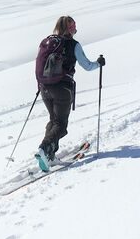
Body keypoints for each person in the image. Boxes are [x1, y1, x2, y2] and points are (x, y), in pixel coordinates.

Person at [35, 15, 105, 171]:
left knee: (53, 120)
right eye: (73, 25)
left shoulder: (50, 43)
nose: (75, 28)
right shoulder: (73, 45)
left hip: (44, 88)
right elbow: (87, 65)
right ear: (70, 28)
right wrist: (98, 64)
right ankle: (45, 148)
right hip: (62, 89)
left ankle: (49, 155)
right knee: (61, 124)